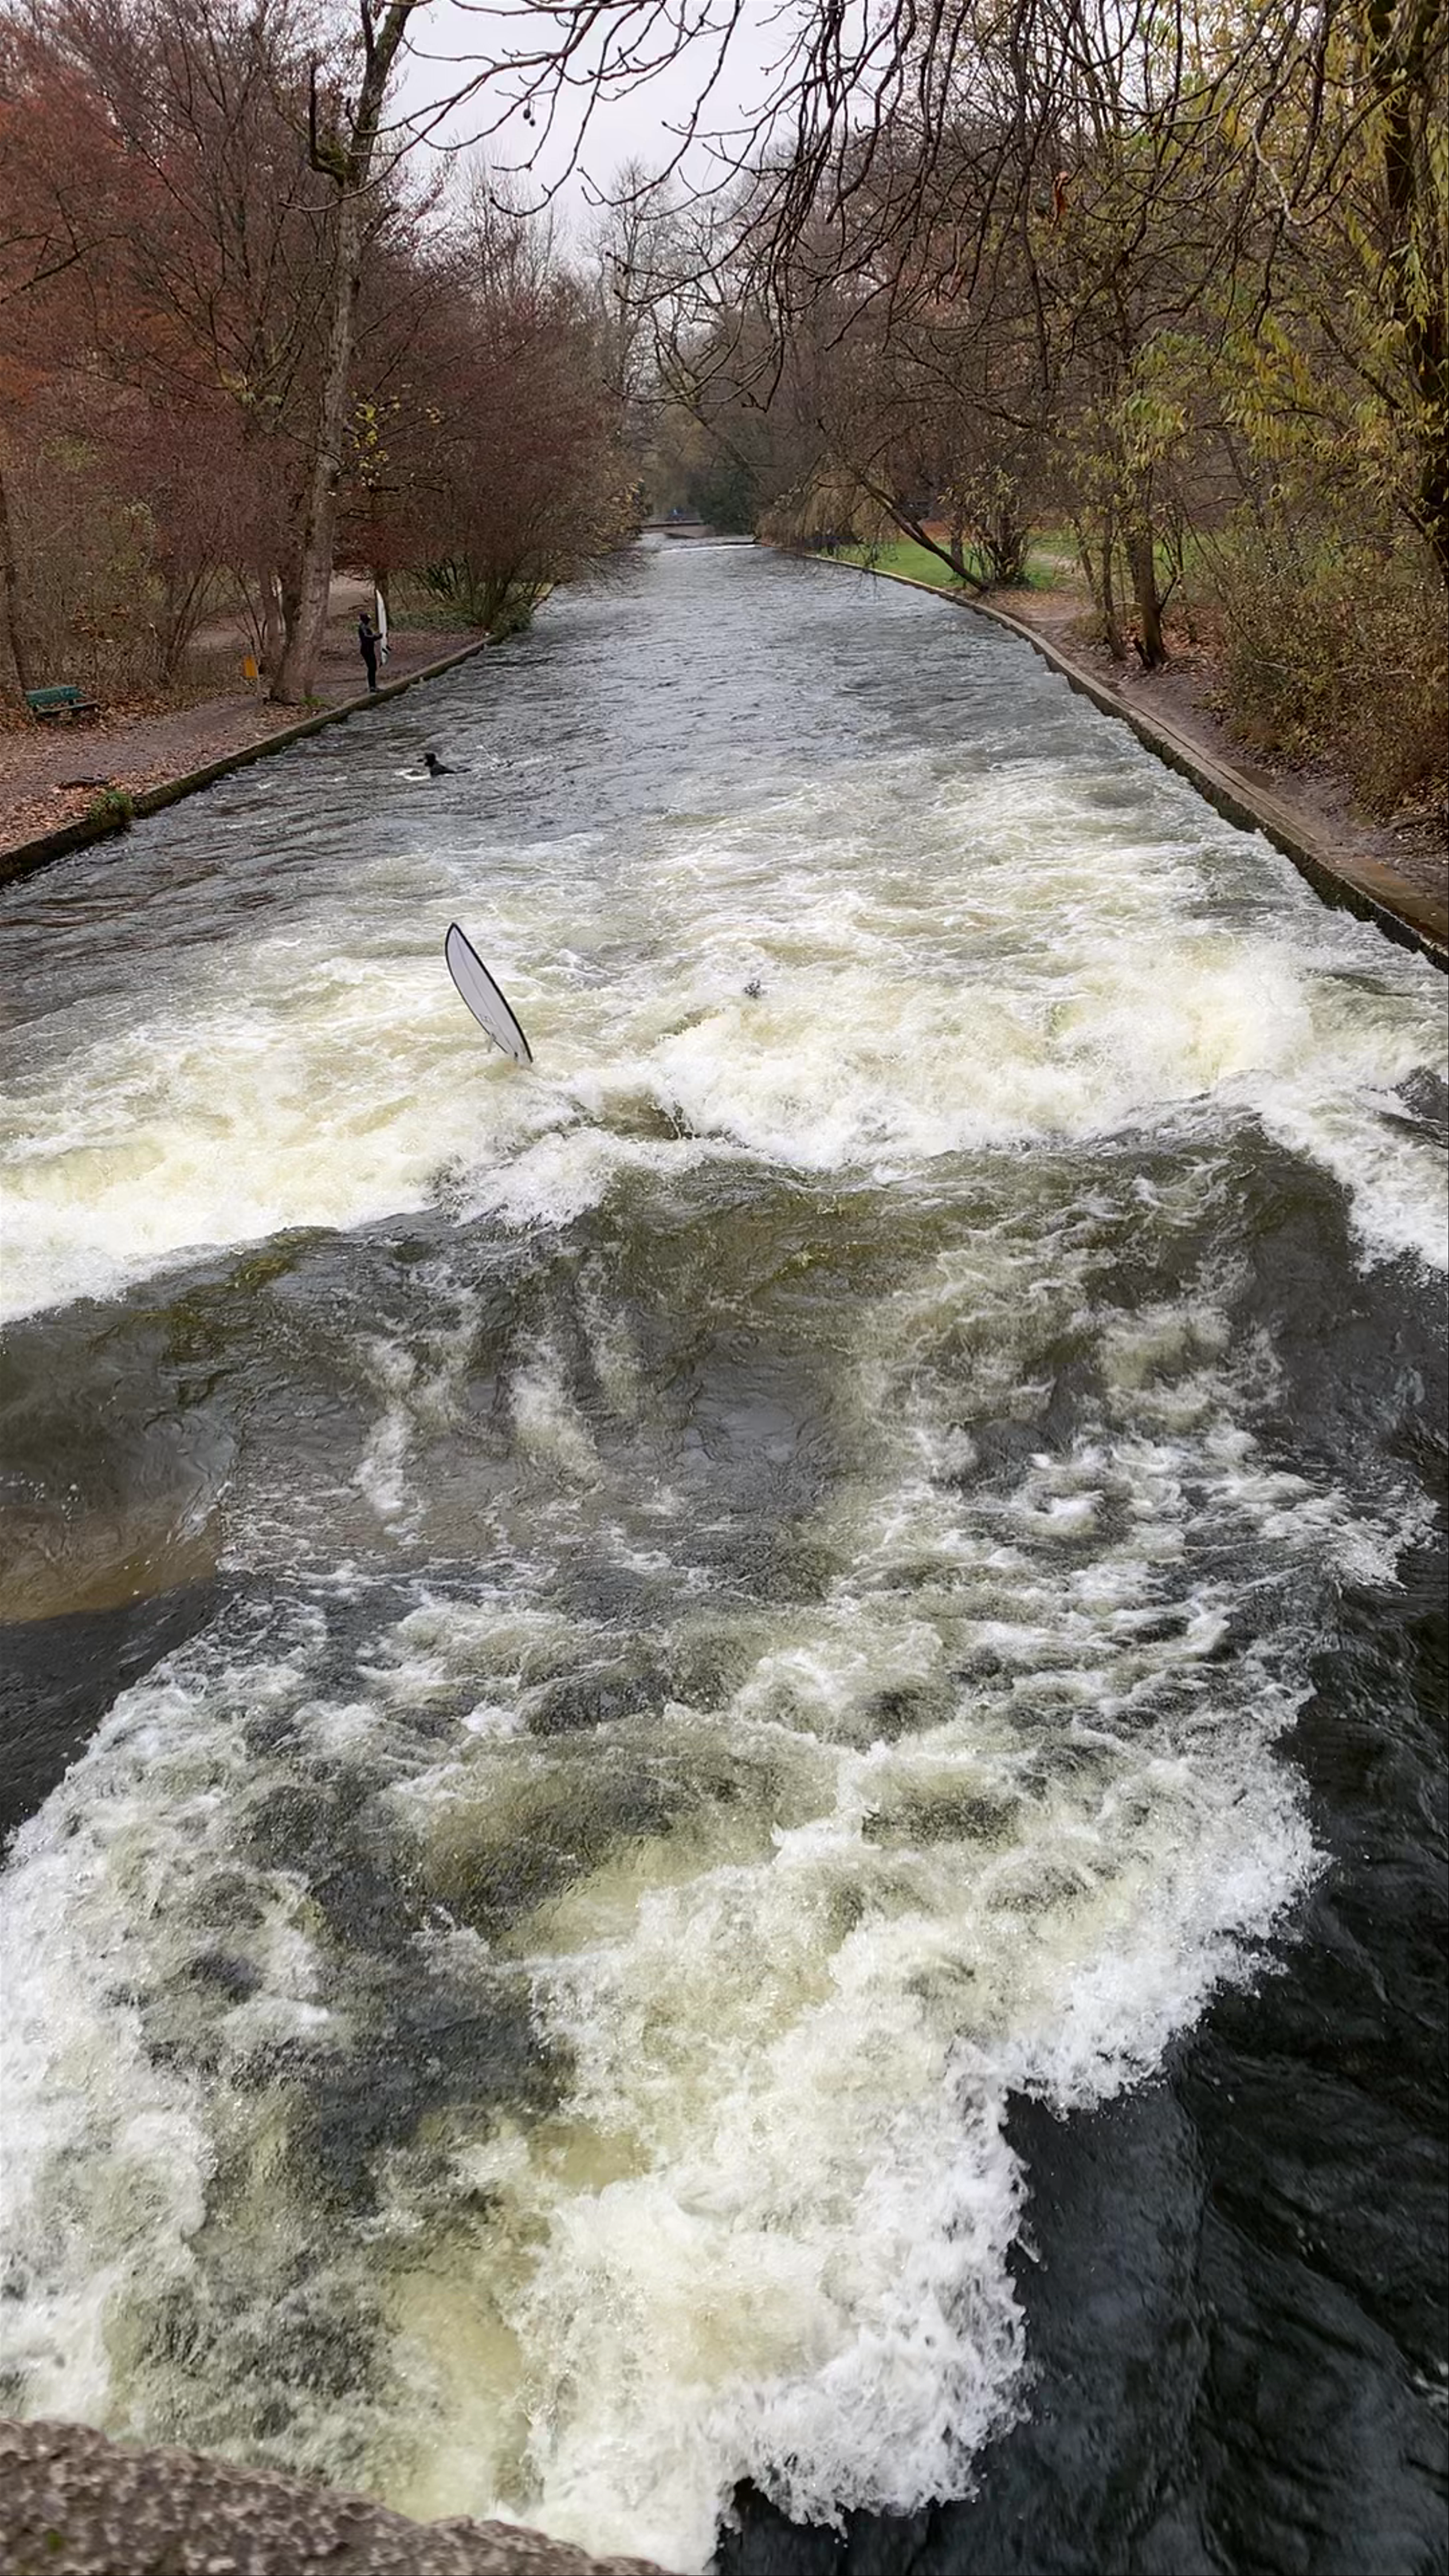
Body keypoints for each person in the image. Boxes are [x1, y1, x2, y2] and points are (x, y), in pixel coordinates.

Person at [358, 611, 379, 693]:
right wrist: (376, 637)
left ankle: (373, 686)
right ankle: (372, 687)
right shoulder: (363, 627)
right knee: (372, 667)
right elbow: (366, 638)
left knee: (373, 667)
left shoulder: (365, 626)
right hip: (366, 650)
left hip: (370, 649)